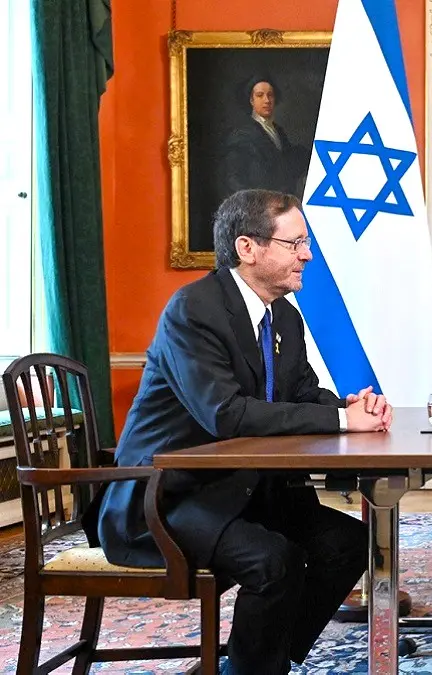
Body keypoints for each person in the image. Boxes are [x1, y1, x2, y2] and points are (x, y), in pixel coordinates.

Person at [94, 189, 391, 675]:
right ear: (247, 248)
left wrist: (350, 406)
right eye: (295, 243)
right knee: (272, 562)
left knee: (348, 544)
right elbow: (226, 415)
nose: (307, 255)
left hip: (244, 488)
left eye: (306, 243)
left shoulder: (285, 317)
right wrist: (342, 422)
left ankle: (255, 663)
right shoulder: (194, 310)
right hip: (168, 497)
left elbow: (300, 393)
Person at [218, 76, 306, 201]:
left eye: (270, 95)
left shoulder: (278, 132)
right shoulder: (241, 134)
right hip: (258, 204)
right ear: (251, 100)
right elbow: (233, 179)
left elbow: (287, 164)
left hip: (280, 202)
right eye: (260, 95)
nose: (267, 100)